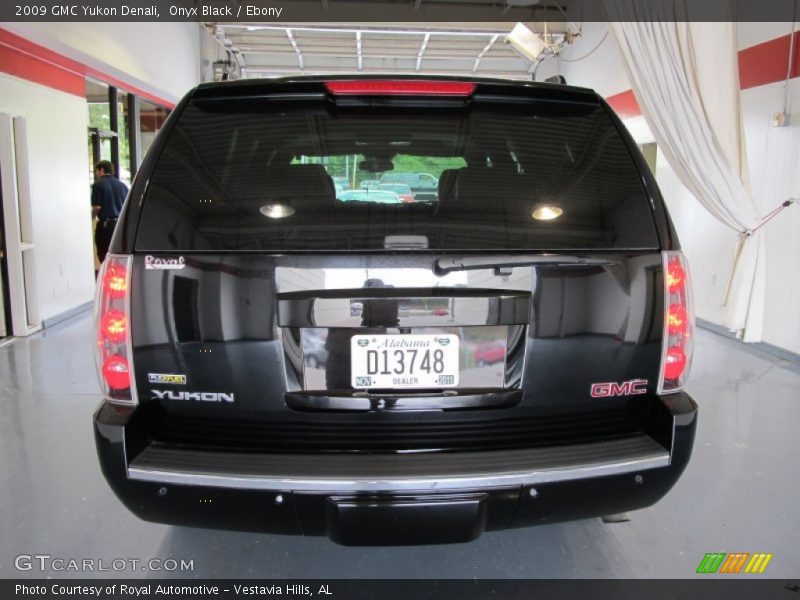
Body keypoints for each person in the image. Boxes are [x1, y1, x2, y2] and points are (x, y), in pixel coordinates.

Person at [91, 160, 128, 266]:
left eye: (96, 171)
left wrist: (90, 218)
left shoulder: (97, 185)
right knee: (118, 255)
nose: (96, 174)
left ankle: (105, 277)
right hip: (120, 226)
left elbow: (97, 207)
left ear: (101, 170)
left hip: (105, 226)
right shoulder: (122, 186)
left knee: (103, 254)